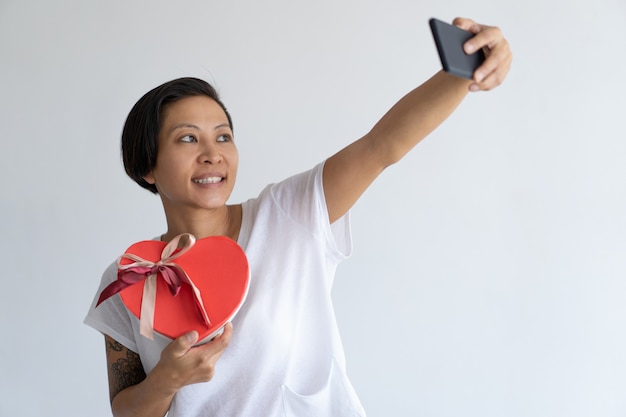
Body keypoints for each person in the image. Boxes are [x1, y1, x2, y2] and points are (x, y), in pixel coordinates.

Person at [85, 17, 512, 417]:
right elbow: (125, 408)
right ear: (147, 166)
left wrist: (462, 72)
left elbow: (382, 146)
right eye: (187, 138)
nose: (212, 153)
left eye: (224, 136)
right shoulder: (129, 278)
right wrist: (166, 380)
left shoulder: (290, 214)